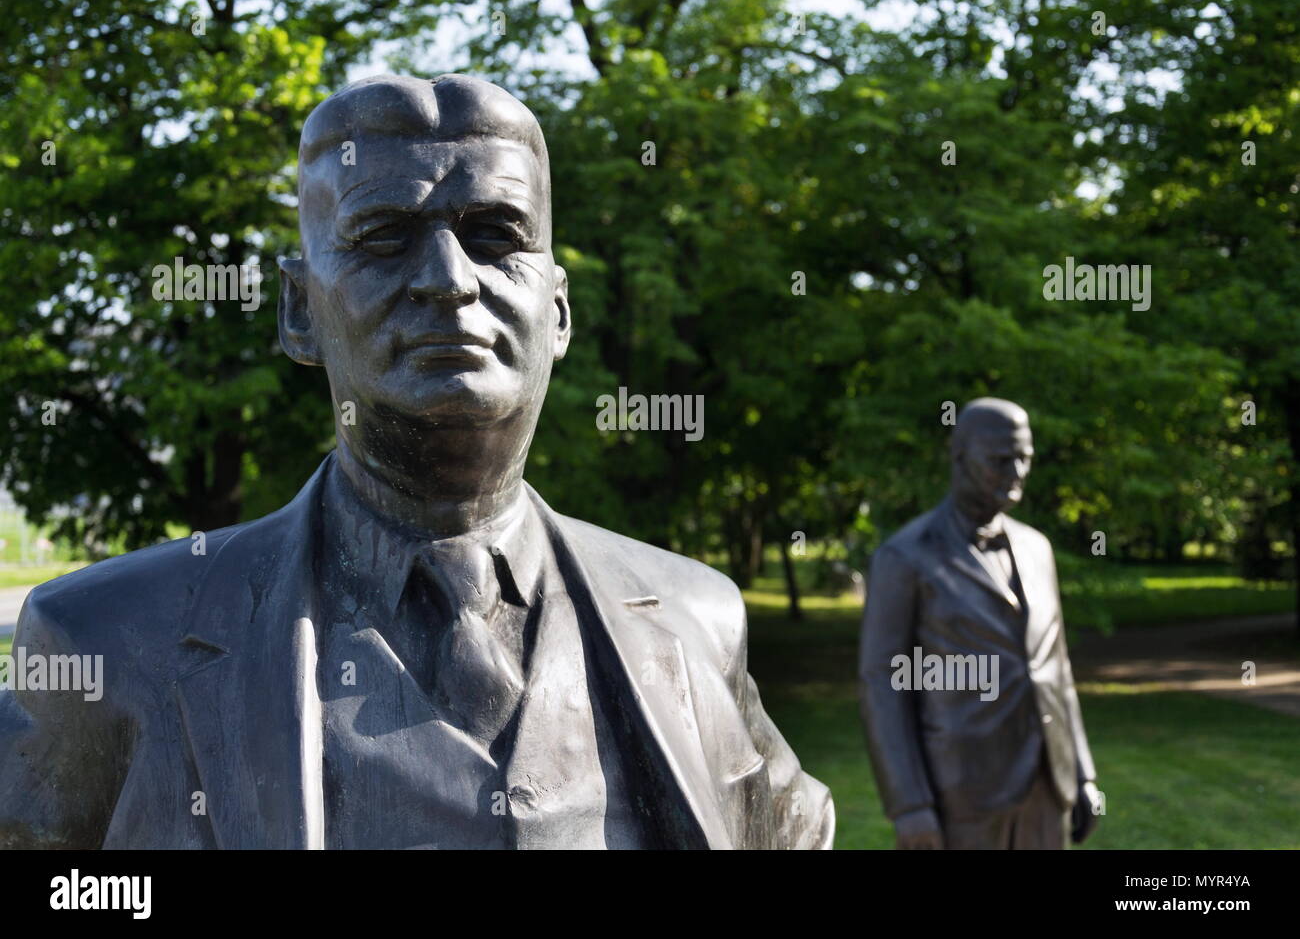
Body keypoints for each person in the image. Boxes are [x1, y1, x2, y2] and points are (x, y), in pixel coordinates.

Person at [0, 74, 832, 850]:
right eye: (384, 236)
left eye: (496, 235)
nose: (447, 280)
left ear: (559, 309)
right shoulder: (106, 642)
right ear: (298, 310)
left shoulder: (696, 620)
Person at [859, 397, 1101, 849]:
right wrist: (908, 804)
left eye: (1025, 457)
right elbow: (882, 687)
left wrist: (1083, 772)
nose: (1018, 471)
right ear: (959, 454)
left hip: (1048, 786)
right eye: (1000, 459)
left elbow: (1057, 671)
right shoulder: (905, 557)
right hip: (961, 794)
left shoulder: (1037, 549)